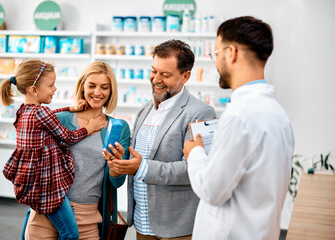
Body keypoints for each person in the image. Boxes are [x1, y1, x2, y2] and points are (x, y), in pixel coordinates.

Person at [182, 16, 295, 239]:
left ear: (231, 52)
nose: (215, 62)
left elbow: (212, 190)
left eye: (216, 54)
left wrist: (194, 152)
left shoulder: (239, 116)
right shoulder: (279, 115)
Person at [104, 39, 217, 239]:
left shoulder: (200, 112)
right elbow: (138, 157)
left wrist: (141, 168)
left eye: (165, 75)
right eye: (154, 71)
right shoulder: (145, 109)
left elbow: (195, 169)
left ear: (185, 76)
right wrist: (122, 160)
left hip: (176, 227)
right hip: (142, 222)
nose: (156, 79)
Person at [23, 61, 131, 240]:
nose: (97, 92)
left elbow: (117, 182)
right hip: (46, 215)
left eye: (104, 87)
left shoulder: (119, 128)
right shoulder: (60, 119)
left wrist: (116, 165)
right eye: (92, 86)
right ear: (82, 86)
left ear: (111, 91)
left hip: (87, 220)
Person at [0, 59, 104, 240]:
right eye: (51, 85)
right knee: (70, 234)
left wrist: (71, 108)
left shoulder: (23, 111)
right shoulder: (42, 113)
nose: (55, 89)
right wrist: (90, 128)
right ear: (34, 90)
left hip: (31, 183)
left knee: (32, 219)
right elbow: (68, 137)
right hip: (48, 186)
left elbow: (49, 116)